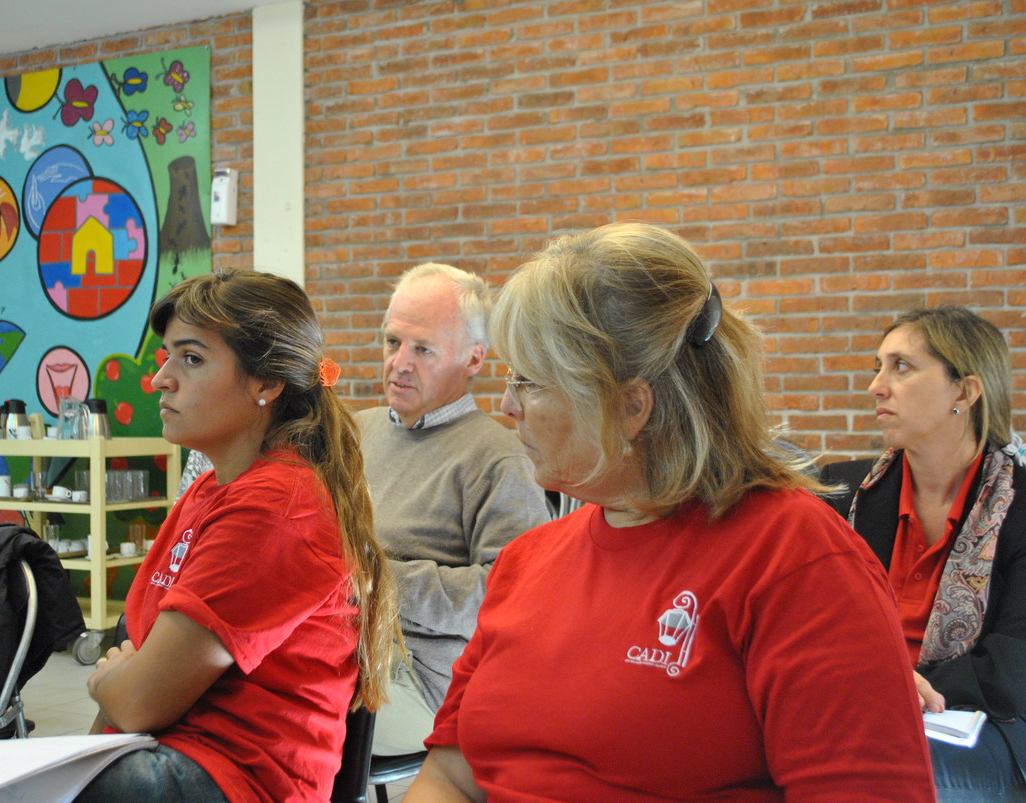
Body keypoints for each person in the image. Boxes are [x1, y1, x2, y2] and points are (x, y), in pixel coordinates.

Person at [408, 222, 935, 801]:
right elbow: (449, 777)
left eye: (528, 381)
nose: (508, 405)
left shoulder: (795, 558)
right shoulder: (526, 561)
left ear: (629, 406)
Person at [77, 270, 399, 802]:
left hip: (236, 781)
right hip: (170, 752)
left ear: (266, 384)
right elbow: (132, 698)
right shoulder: (209, 490)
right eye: (166, 357)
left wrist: (110, 682)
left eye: (191, 358)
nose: (161, 380)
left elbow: (137, 702)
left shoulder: (277, 506)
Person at [820, 306, 1026, 799]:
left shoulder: (1019, 505)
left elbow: (1014, 664)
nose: (876, 386)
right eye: (878, 367)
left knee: (872, 775)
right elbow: (810, 619)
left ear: (964, 392)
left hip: (980, 719)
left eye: (902, 367)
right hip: (854, 705)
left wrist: (899, 684)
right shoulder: (840, 491)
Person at [357, 262, 551, 755]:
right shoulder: (355, 432)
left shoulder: (499, 460)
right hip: (334, 646)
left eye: (423, 349)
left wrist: (371, 580)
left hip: (417, 680)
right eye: (392, 342)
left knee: (261, 705)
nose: (400, 363)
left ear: (473, 359)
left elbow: (512, 599)